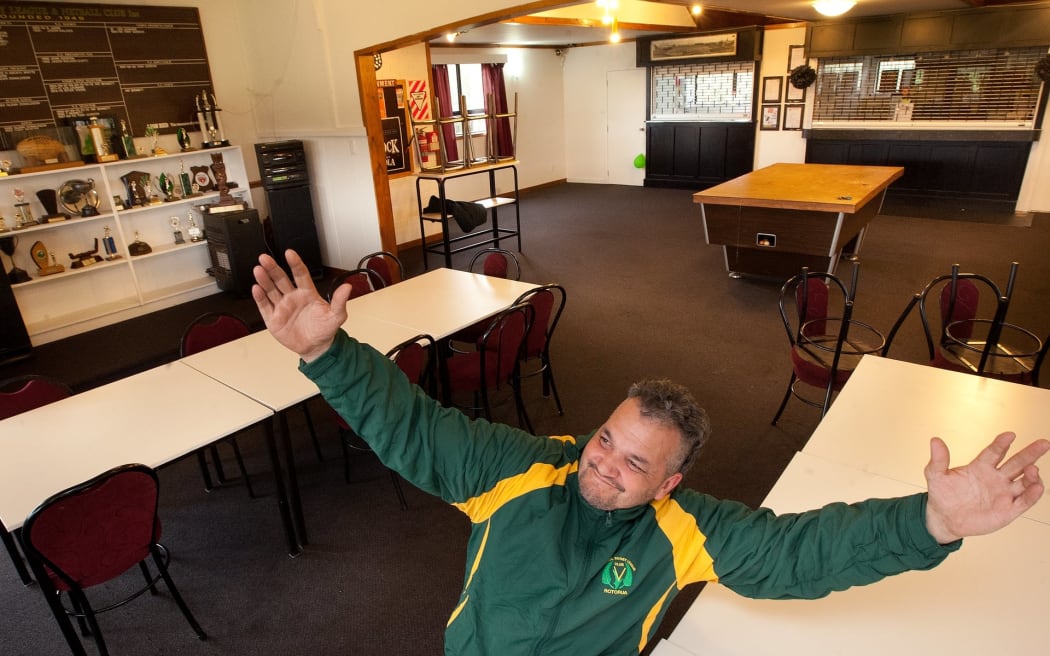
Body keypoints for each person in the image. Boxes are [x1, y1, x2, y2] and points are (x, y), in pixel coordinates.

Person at [252, 249, 1049, 656]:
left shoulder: (685, 529)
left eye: (634, 464)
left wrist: (929, 523)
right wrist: (331, 357)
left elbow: (801, 553)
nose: (603, 465)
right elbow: (415, 431)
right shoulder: (519, 467)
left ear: (670, 483)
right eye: (606, 441)